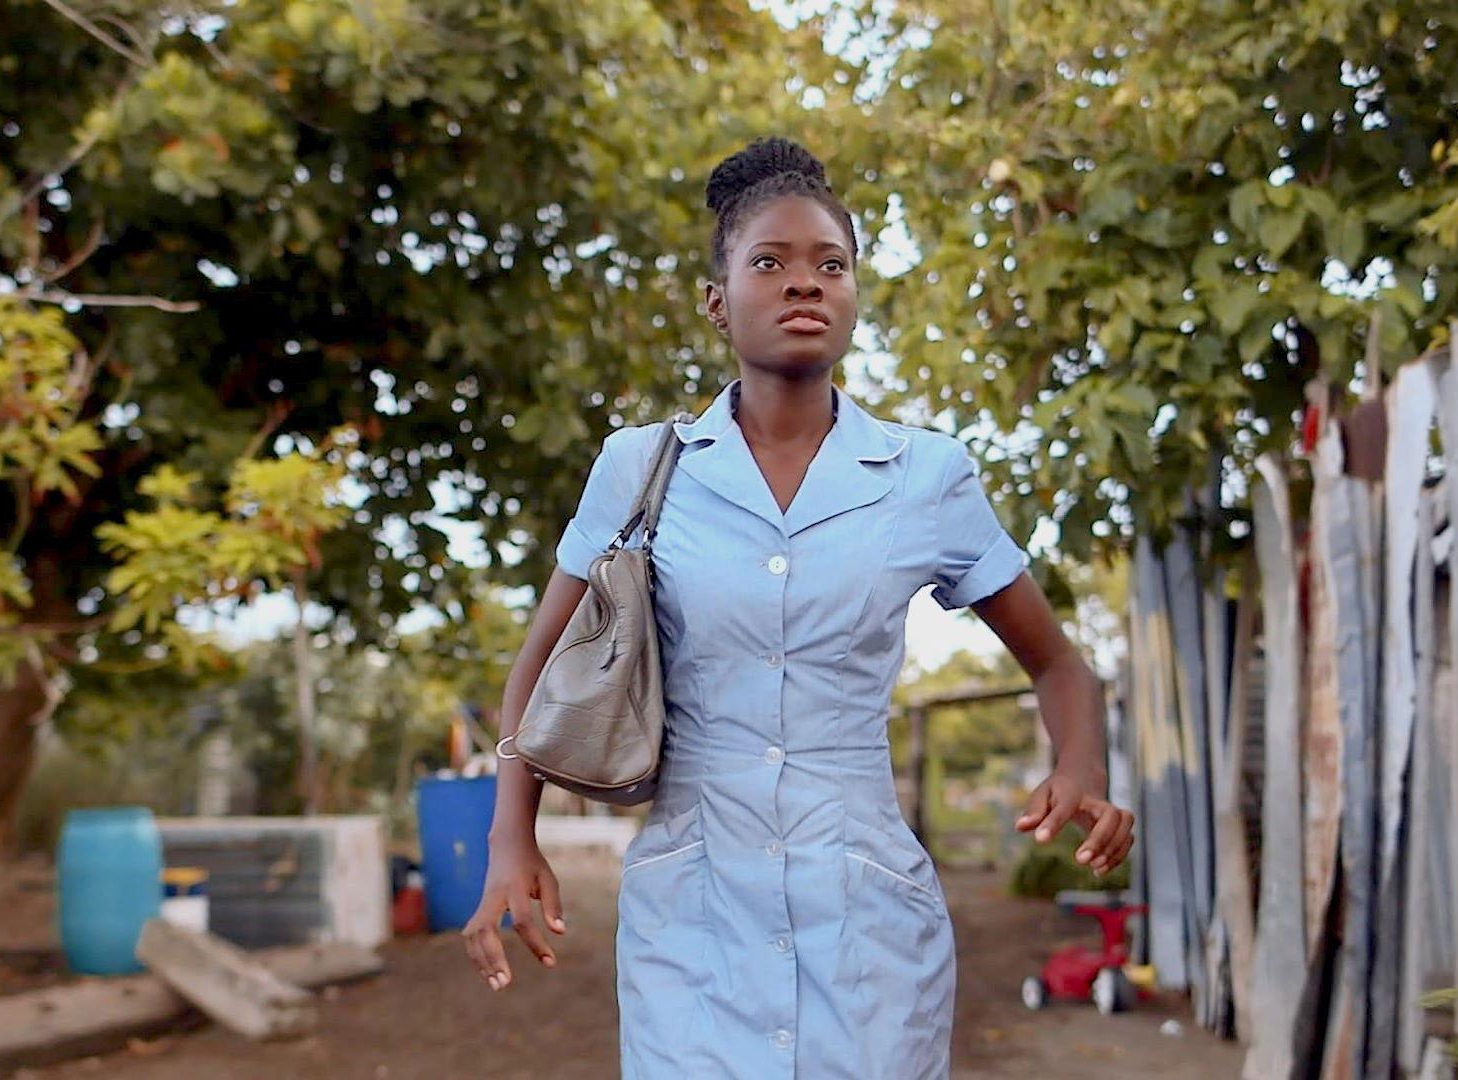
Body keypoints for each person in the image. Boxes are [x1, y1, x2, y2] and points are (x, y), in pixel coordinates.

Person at [460, 137, 1135, 1078]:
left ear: (854, 294)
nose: (805, 283)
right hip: (690, 914)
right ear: (716, 300)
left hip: (868, 920)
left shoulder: (925, 476)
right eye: (769, 263)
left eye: (831, 265)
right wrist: (511, 837)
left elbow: (1059, 663)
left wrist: (1080, 764)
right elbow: (537, 669)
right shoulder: (640, 468)